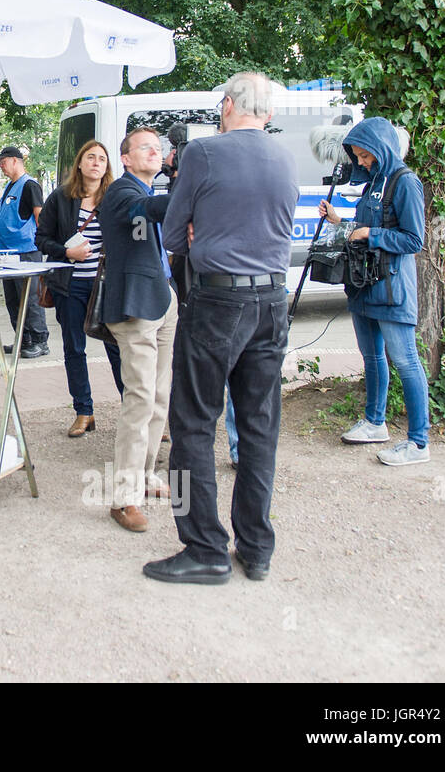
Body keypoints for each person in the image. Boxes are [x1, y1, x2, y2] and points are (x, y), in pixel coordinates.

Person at [147, 71, 298, 584]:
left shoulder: (203, 154)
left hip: (218, 299)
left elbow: (172, 235)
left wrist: (199, 231)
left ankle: (205, 548)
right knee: (259, 425)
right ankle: (256, 548)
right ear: (269, 114)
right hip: (271, 299)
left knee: (192, 423)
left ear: (229, 105)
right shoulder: (285, 157)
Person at [318, 117, 430, 467]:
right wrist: (341, 222)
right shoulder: (374, 183)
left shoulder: (405, 182)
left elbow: (414, 240)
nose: (362, 162)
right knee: (373, 358)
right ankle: (374, 422)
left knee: (406, 362)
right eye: (358, 157)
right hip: (364, 287)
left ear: (382, 149)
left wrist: (370, 234)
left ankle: (419, 443)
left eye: (366, 155)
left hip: (393, 289)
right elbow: (366, 225)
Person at [98, 128, 176, 532]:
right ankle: (123, 498)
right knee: (141, 396)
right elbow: (143, 209)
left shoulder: (148, 189)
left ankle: (145, 476)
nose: (156, 151)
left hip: (163, 299)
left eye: (159, 148)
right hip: (135, 306)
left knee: (160, 395)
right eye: (146, 147)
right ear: (125, 158)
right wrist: (188, 188)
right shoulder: (122, 192)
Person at [35, 139, 125, 437]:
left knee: (118, 348)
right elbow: (41, 238)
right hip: (69, 286)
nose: (96, 162)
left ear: (107, 166)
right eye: (90, 157)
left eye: (102, 158)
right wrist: (65, 252)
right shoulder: (61, 197)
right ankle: (84, 411)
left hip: (107, 286)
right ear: (80, 164)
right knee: (75, 348)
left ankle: (135, 413)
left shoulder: (115, 197)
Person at [0, 145, 49, 359]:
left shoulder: (30, 186)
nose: (1, 167)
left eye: (3, 162)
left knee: (30, 298)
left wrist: (44, 242)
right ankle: (23, 339)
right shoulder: (10, 187)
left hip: (26, 252)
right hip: (7, 254)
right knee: (13, 299)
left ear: (15, 160)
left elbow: (39, 217)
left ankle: (39, 340)